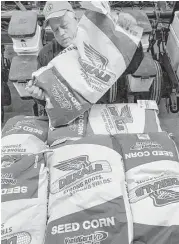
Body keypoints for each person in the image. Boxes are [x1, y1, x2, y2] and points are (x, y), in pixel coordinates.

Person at [27, 1, 143, 106]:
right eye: (55, 30)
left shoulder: (99, 38)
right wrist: (39, 96)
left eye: (64, 26)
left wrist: (129, 33)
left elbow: (132, 66)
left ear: (76, 20)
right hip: (72, 115)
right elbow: (46, 99)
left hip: (106, 108)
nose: (61, 33)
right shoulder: (46, 55)